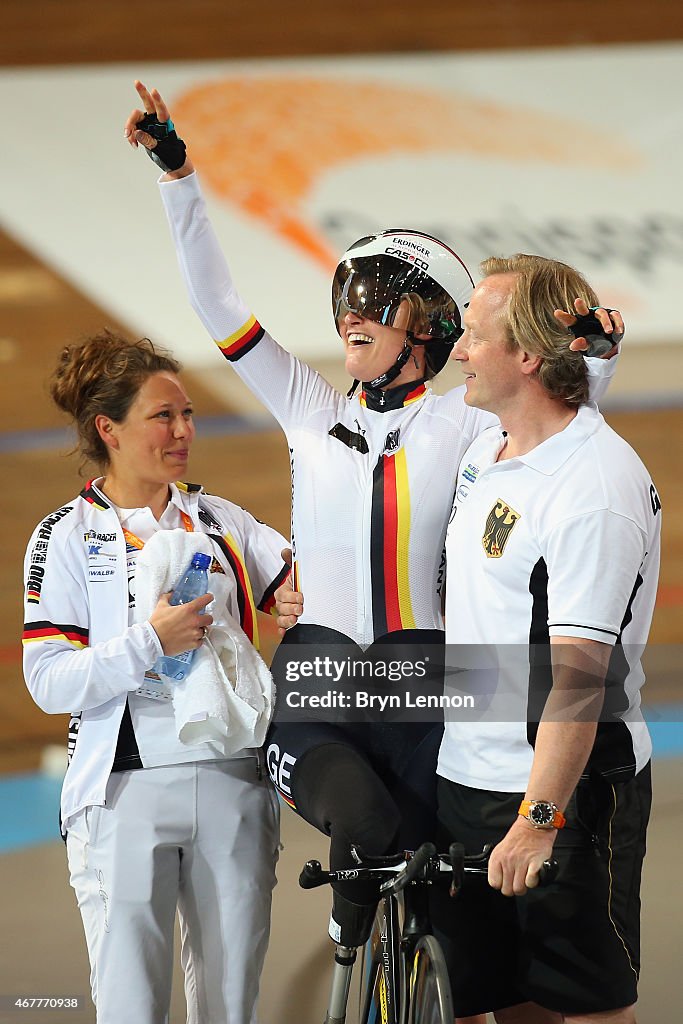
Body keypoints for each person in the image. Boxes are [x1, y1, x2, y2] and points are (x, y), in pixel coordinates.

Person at [123, 81, 622, 957]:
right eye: (346, 295)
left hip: (432, 685)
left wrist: (599, 362)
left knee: (453, 901)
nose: (350, 312)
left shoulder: (470, 424)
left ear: (427, 326)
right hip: (320, 679)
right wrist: (178, 177)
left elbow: (564, 436)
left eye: (375, 303)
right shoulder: (307, 409)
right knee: (361, 824)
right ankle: (353, 950)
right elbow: (216, 307)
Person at [22, 331, 288, 1024]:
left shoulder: (224, 520)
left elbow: (304, 581)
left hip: (233, 783)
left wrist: (296, 592)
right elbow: (50, 682)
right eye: (163, 417)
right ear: (108, 429)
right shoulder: (65, 535)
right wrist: (150, 642)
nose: (184, 431)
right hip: (124, 795)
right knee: (131, 1009)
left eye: (188, 414)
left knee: (231, 1009)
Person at [430, 255, 661, 1023]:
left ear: (525, 357)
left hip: (563, 796)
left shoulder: (591, 491)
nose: (456, 350)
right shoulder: (491, 446)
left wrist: (538, 822)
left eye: (470, 334)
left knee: (585, 1007)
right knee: (505, 1001)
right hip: (468, 777)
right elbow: (569, 383)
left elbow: (579, 680)